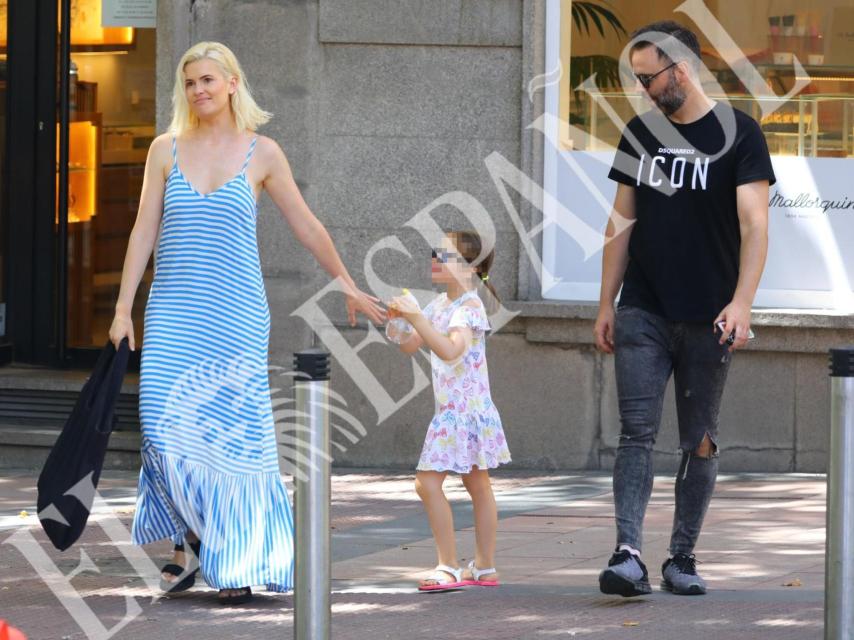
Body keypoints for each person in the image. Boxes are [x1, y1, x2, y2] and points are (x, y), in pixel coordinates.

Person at [108, 41, 384, 605]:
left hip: (234, 316)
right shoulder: (164, 150)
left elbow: (306, 224)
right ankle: (193, 540)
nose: (198, 91)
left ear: (233, 82)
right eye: (189, 83)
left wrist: (347, 283)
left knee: (229, 440)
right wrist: (120, 309)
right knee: (163, 429)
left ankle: (222, 556)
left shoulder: (263, 153)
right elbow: (142, 232)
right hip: (173, 313)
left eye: (208, 79)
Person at [593, 21, 774, 597]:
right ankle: (627, 555)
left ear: (683, 69)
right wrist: (606, 303)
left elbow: (755, 223)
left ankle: (681, 557)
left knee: (699, 438)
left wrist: (742, 302)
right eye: (638, 79)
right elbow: (621, 221)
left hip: (709, 316)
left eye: (649, 77)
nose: (643, 88)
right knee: (635, 434)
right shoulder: (640, 133)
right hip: (643, 309)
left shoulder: (740, 133)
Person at [389, 231, 511, 592]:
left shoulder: (469, 307)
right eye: (435, 253)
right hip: (458, 413)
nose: (436, 260)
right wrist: (398, 320)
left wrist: (417, 319)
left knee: (427, 484)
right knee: (478, 486)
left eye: (446, 255)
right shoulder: (440, 304)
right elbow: (410, 345)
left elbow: (451, 351)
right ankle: (484, 567)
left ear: (471, 268)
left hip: (463, 413)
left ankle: (448, 566)